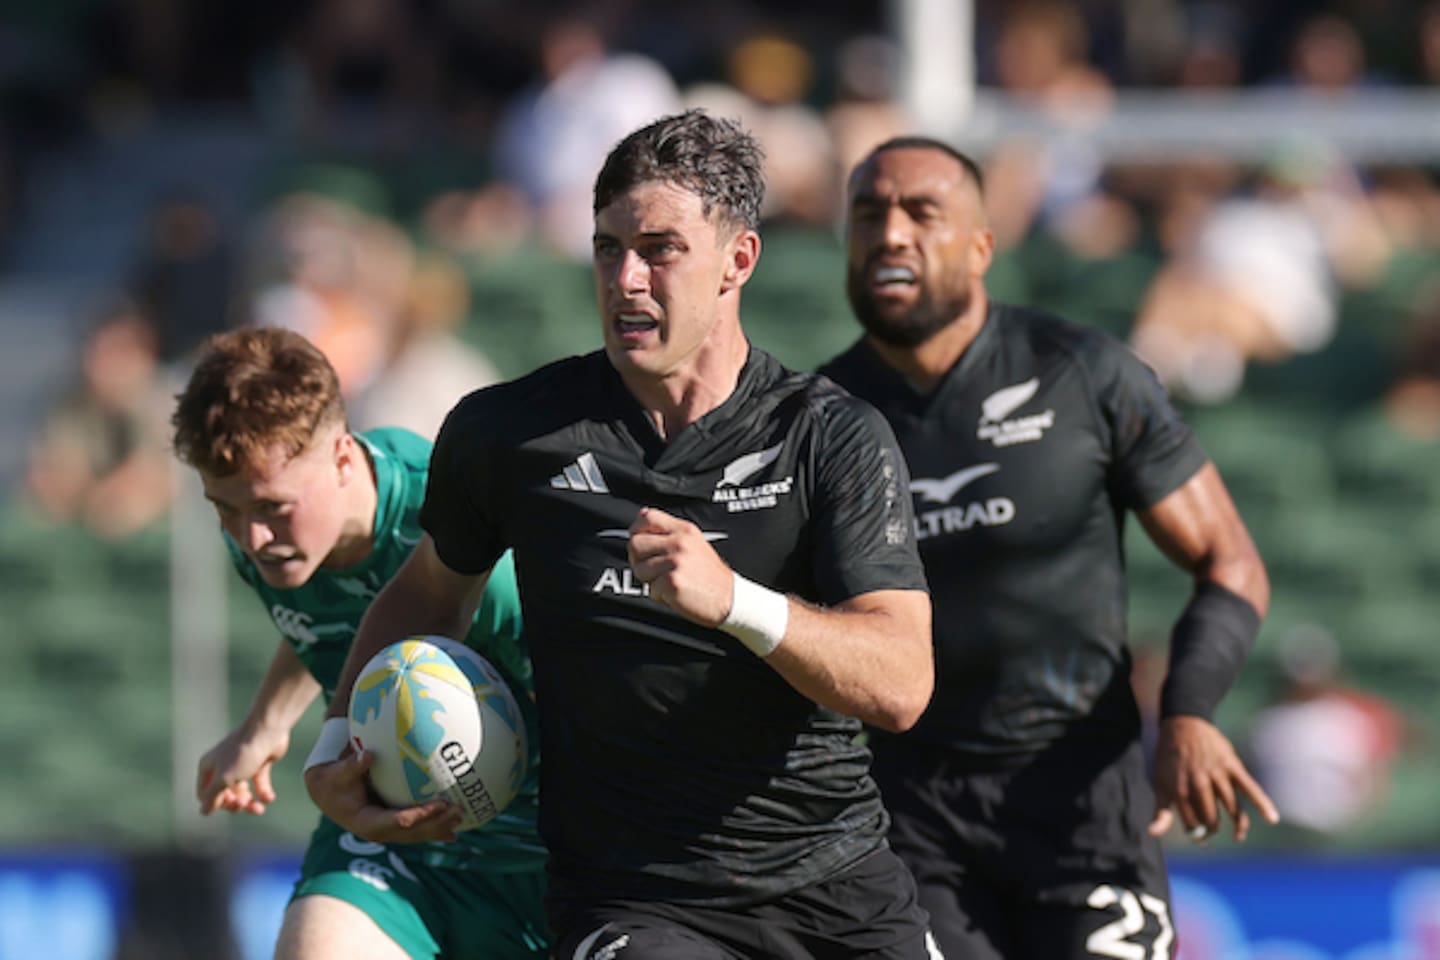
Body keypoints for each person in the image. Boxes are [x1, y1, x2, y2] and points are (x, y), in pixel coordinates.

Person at [304, 109, 939, 959]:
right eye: (608, 249)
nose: (627, 278)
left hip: (835, 885)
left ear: (737, 261)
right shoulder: (510, 433)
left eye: (660, 248)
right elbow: (426, 591)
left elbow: (900, 682)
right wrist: (337, 741)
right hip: (634, 900)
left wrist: (735, 602)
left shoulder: (832, 436)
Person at [819, 137, 1280, 959]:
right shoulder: (817, 420)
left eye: (922, 213)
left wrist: (1191, 711)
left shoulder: (1085, 375)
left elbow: (1230, 559)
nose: (891, 234)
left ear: (982, 245)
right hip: (908, 821)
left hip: (1083, 803)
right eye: (868, 214)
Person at [171, 326, 549, 960]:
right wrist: (265, 725)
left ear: (345, 456)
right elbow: (330, 621)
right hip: (394, 853)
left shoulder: (467, 539)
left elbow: (591, 699)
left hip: (546, 860)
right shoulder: (270, 544)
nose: (251, 538)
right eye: (225, 509)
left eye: (270, 507)